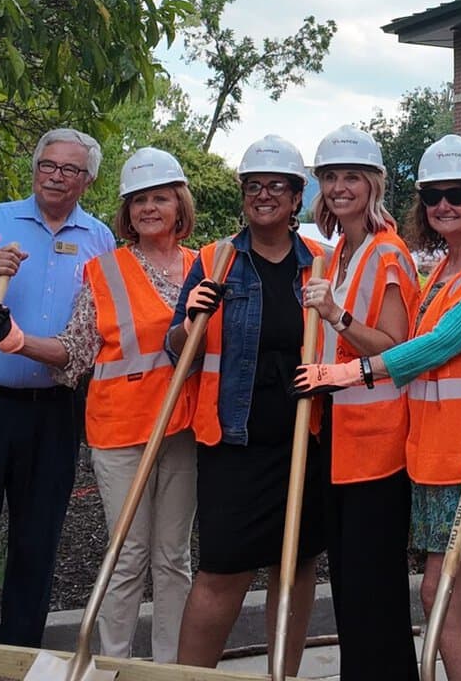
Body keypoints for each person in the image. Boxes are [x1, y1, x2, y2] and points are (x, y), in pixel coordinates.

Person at [297, 133, 461, 681]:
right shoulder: (447, 267)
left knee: (439, 592)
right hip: (438, 455)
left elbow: (434, 345)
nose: (443, 206)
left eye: (457, 195)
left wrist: (348, 369)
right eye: (433, 197)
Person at [0, 128, 112, 646]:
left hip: (53, 410)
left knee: (37, 538)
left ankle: (18, 654)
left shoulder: (99, 239)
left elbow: (100, 325)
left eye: (70, 169)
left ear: (88, 180)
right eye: (48, 165)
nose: (56, 176)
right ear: (35, 169)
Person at [165, 135, 332, 675]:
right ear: (244, 195)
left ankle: (282, 672)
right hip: (233, 442)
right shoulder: (216, 260)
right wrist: (190, 318)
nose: (264, 196)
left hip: (304, 437)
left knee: (297, 564)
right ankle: (193, 676)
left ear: (295, 196)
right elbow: (178, 350)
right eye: (254, 186)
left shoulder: (323, 264)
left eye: (276, 186)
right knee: (223, 569)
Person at [60, 147, 200, 662]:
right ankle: (112, 662)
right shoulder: (104, 271)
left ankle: (170, 666)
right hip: (121, 431)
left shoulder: (202, 265)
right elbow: (74, 350)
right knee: (127, 554)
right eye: (138, 200)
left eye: (159, 198)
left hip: (181, 428)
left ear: (178, 205)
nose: (148, 208)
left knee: (173, 557)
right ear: (126, 211)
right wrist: (14, 340)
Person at [301, 126, 420, 681]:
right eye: (330, 177)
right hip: (340, 439)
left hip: (378, 446)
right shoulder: (342, 251)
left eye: (351, 176)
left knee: (374, 590)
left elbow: (398, 349)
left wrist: (338, 318)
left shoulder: (388, 251)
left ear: (373, 184)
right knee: (350, 586)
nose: (340, 187)